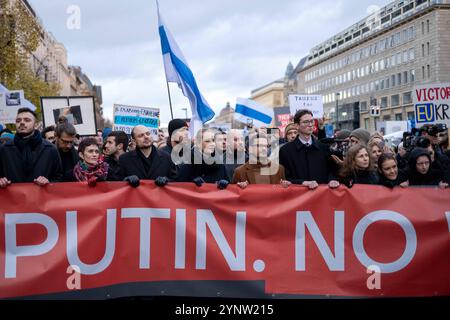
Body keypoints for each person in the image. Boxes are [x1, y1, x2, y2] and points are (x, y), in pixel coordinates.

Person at [0, 108, 62, 188]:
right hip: (13, 199)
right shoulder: (4, 149)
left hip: (41, 199)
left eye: (27, 120)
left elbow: (59, 178)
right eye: (18, 121)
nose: (22, 122)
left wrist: (48, 182)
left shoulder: (50, 149)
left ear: (36, 125)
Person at [279, 109, 340, 190]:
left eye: (312, 121)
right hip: (297, 199)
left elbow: (332, 171)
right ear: (297, 126)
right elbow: (285, 178)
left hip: (321, 197)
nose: (310, 124)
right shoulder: (285, 151)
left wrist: (332, 180)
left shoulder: (324, 148)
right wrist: (303, 183)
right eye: (306, 122)